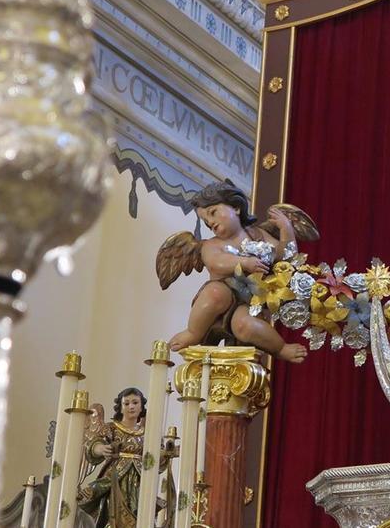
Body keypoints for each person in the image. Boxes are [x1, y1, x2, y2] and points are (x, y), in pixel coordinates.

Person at [158, 181, 311, 363]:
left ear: (236, 208)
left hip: (248, 301)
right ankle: (193, 332)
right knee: (215, 293)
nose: (210, 222)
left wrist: (286, 230)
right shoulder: (212, 244)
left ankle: (280, 348)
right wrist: (244, 262)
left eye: (213, 212)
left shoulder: (257, 235)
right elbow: (216, 262)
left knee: (245, 326)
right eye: (206, 221)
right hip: (223, 291)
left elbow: (286, 257)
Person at [79, 388, 172, 528]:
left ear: (141, 407)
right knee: (114, 513)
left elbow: (155, 457)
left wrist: (166, 453)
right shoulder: (112, 428)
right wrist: (101, 448)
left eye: (135, 402)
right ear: (120, 407)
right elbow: (94, 444)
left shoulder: (148, 433)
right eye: (126, 403)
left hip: (140, 480)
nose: (131, 406)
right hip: (115, 478)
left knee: (140, 512)